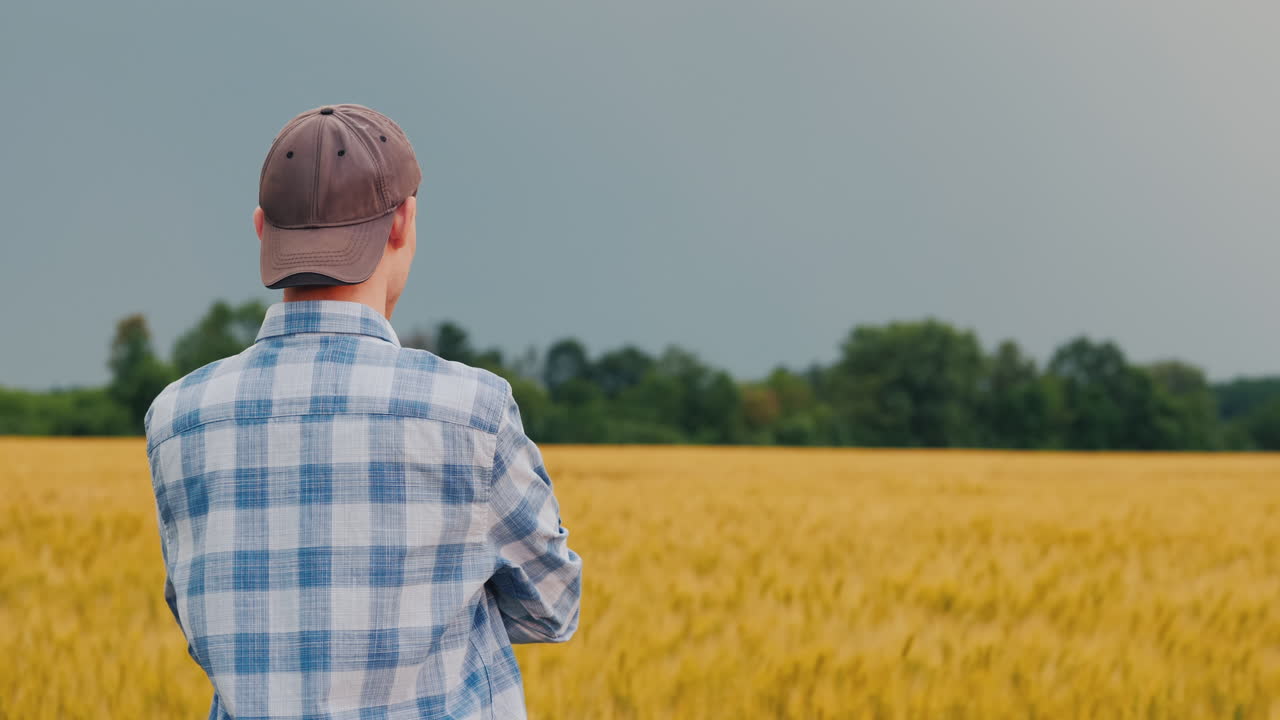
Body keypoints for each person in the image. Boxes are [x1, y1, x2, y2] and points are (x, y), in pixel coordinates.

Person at [143, 104, 583, 720]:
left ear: (262, 229)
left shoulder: (177, 418)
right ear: (402, 221)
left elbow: (204, 623)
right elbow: (553, 608)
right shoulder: (471, 412)